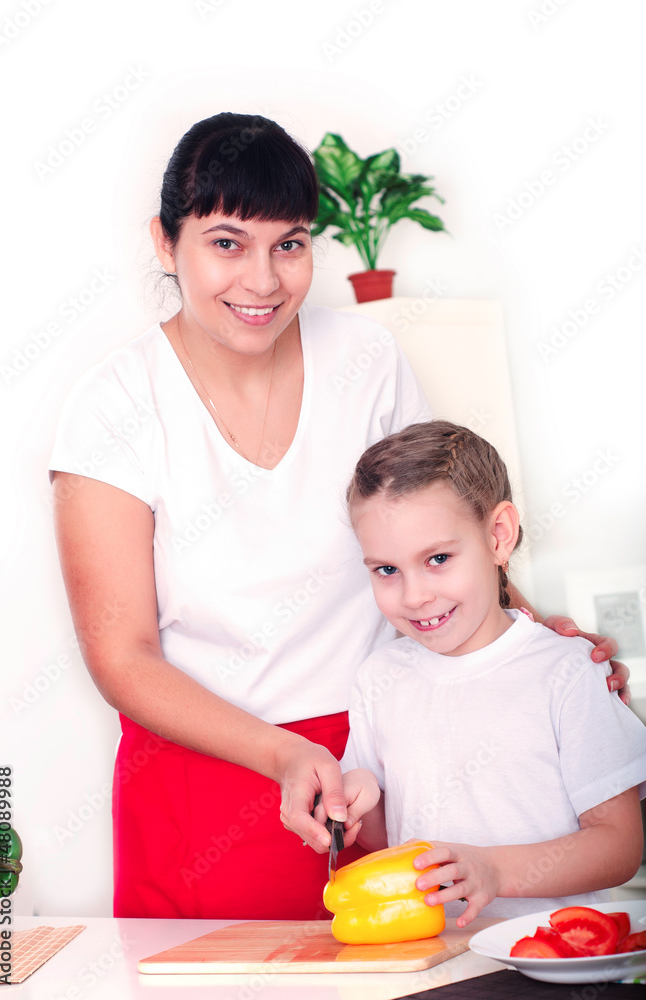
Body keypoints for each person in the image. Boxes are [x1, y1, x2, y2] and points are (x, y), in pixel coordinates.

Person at [49, 112, 629, 921]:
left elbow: (431, 524)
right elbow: (122, 655)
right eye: (226, 242)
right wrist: (285, 752)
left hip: (383, 769)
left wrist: (531, 644)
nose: (263, 280)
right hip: (204, 779)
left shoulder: (366, 360)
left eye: (289, 244)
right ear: (164, 241)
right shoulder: (112, 405)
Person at [327, 420, 646, 926]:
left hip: (554, 957)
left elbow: (619, 846)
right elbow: (392, 838)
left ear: (498, 536)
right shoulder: (378, 678)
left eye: (437, 559)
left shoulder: (568, 672)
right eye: (386, 570)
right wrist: (359, 807)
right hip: (435, 960)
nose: (414, 596)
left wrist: (492, 870)